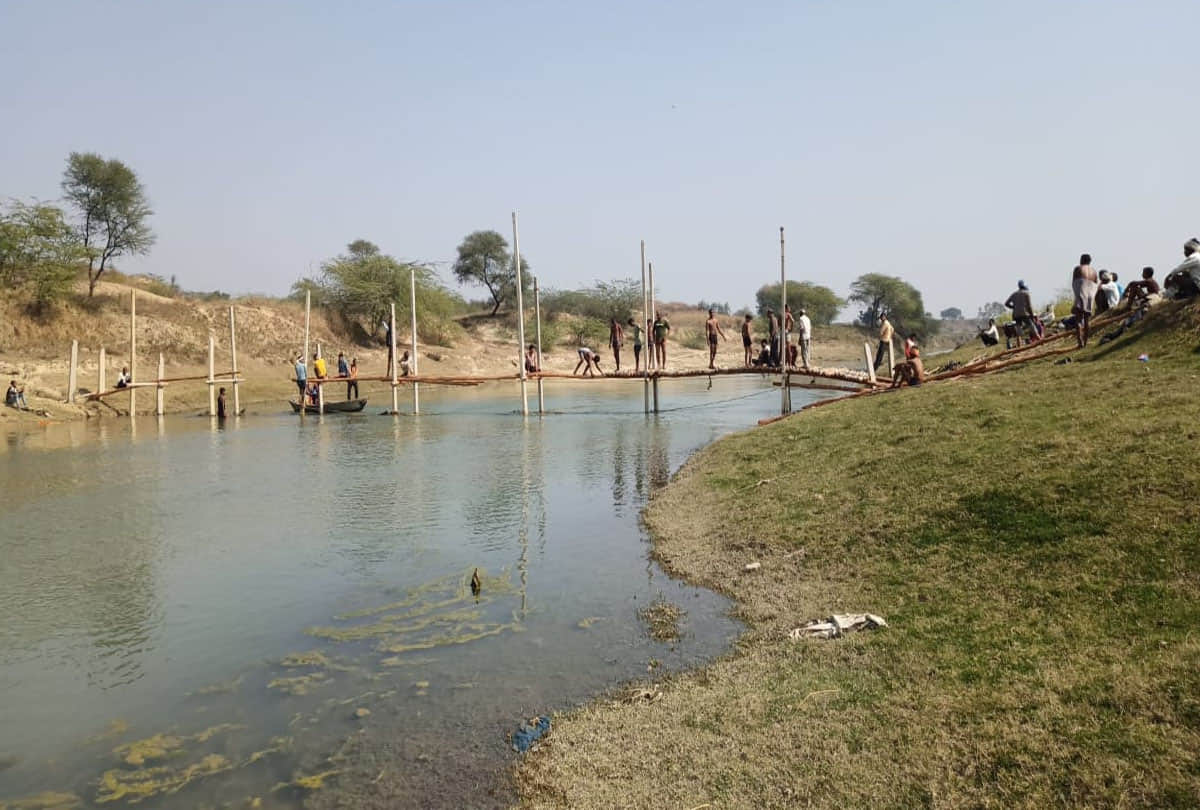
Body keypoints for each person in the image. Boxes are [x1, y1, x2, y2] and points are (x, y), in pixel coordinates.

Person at [1072, 253, 1099, 348]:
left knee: (1078, 319)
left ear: (1081, 260)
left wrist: (1076, 298)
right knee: (1087, 319)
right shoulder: (1094, 272)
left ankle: (1080, 342)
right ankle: (1086, 342)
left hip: (1081, 292)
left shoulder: (1078, 268)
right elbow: (1096, 285)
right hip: (1090, 294)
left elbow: (1074, 283)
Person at [1004, 280, 1038, 346]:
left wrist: (1013, 307)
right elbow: (1029, 306)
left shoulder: (1014, 294)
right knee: (1032, 326)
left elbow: (1006, 303)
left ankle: (1019, 346)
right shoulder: (1026, 293)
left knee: (1018, 331)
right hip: (1024, 313)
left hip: (1016, 315)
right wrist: (1032, 316)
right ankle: (1040, 340)